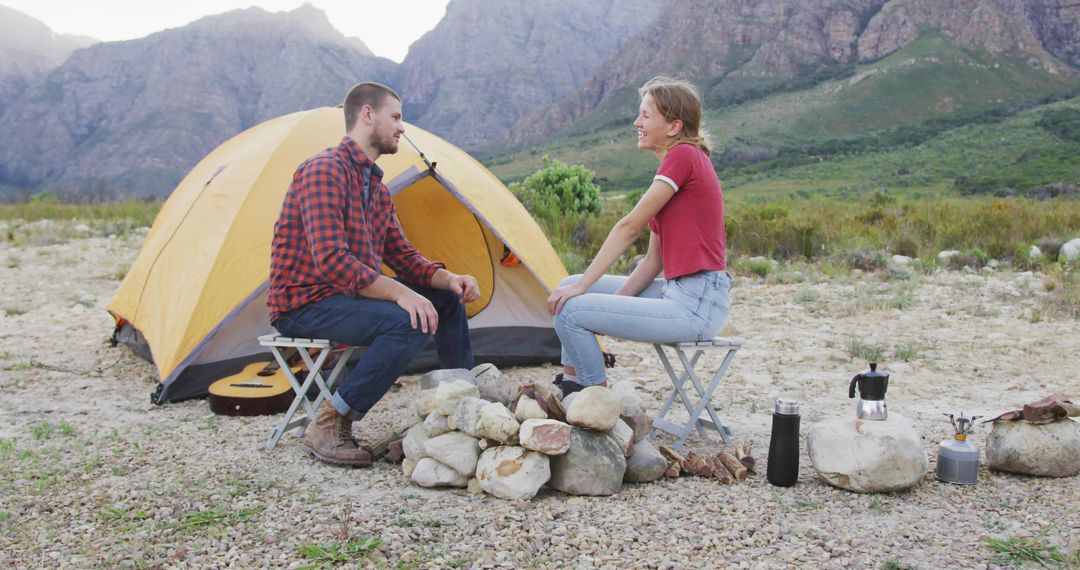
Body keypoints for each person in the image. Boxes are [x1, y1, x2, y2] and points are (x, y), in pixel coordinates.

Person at [268, 82, 480, 467]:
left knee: (445, 302)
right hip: (303, 302)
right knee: (409, 321)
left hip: (346, 298)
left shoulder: (376, 191)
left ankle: (461, 409)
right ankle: (331, 423)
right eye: (395, 117)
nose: (402, 127)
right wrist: (401, 294)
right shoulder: (324, 171)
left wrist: (449, 279)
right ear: (367, 114)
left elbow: (404, 256)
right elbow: (332, 260)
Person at [547, 76, 732, 395]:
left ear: (673, 126)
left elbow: (628, 227)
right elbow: (652, 261)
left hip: (695, 305)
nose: (637, 122)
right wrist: (616, 306)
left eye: (646, 115)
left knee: (571, 305)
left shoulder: (684, 155)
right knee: (567, 289)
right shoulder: (680, 163)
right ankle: (571, 383)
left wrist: (585, 286)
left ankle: (591, 398)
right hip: (682, 294)